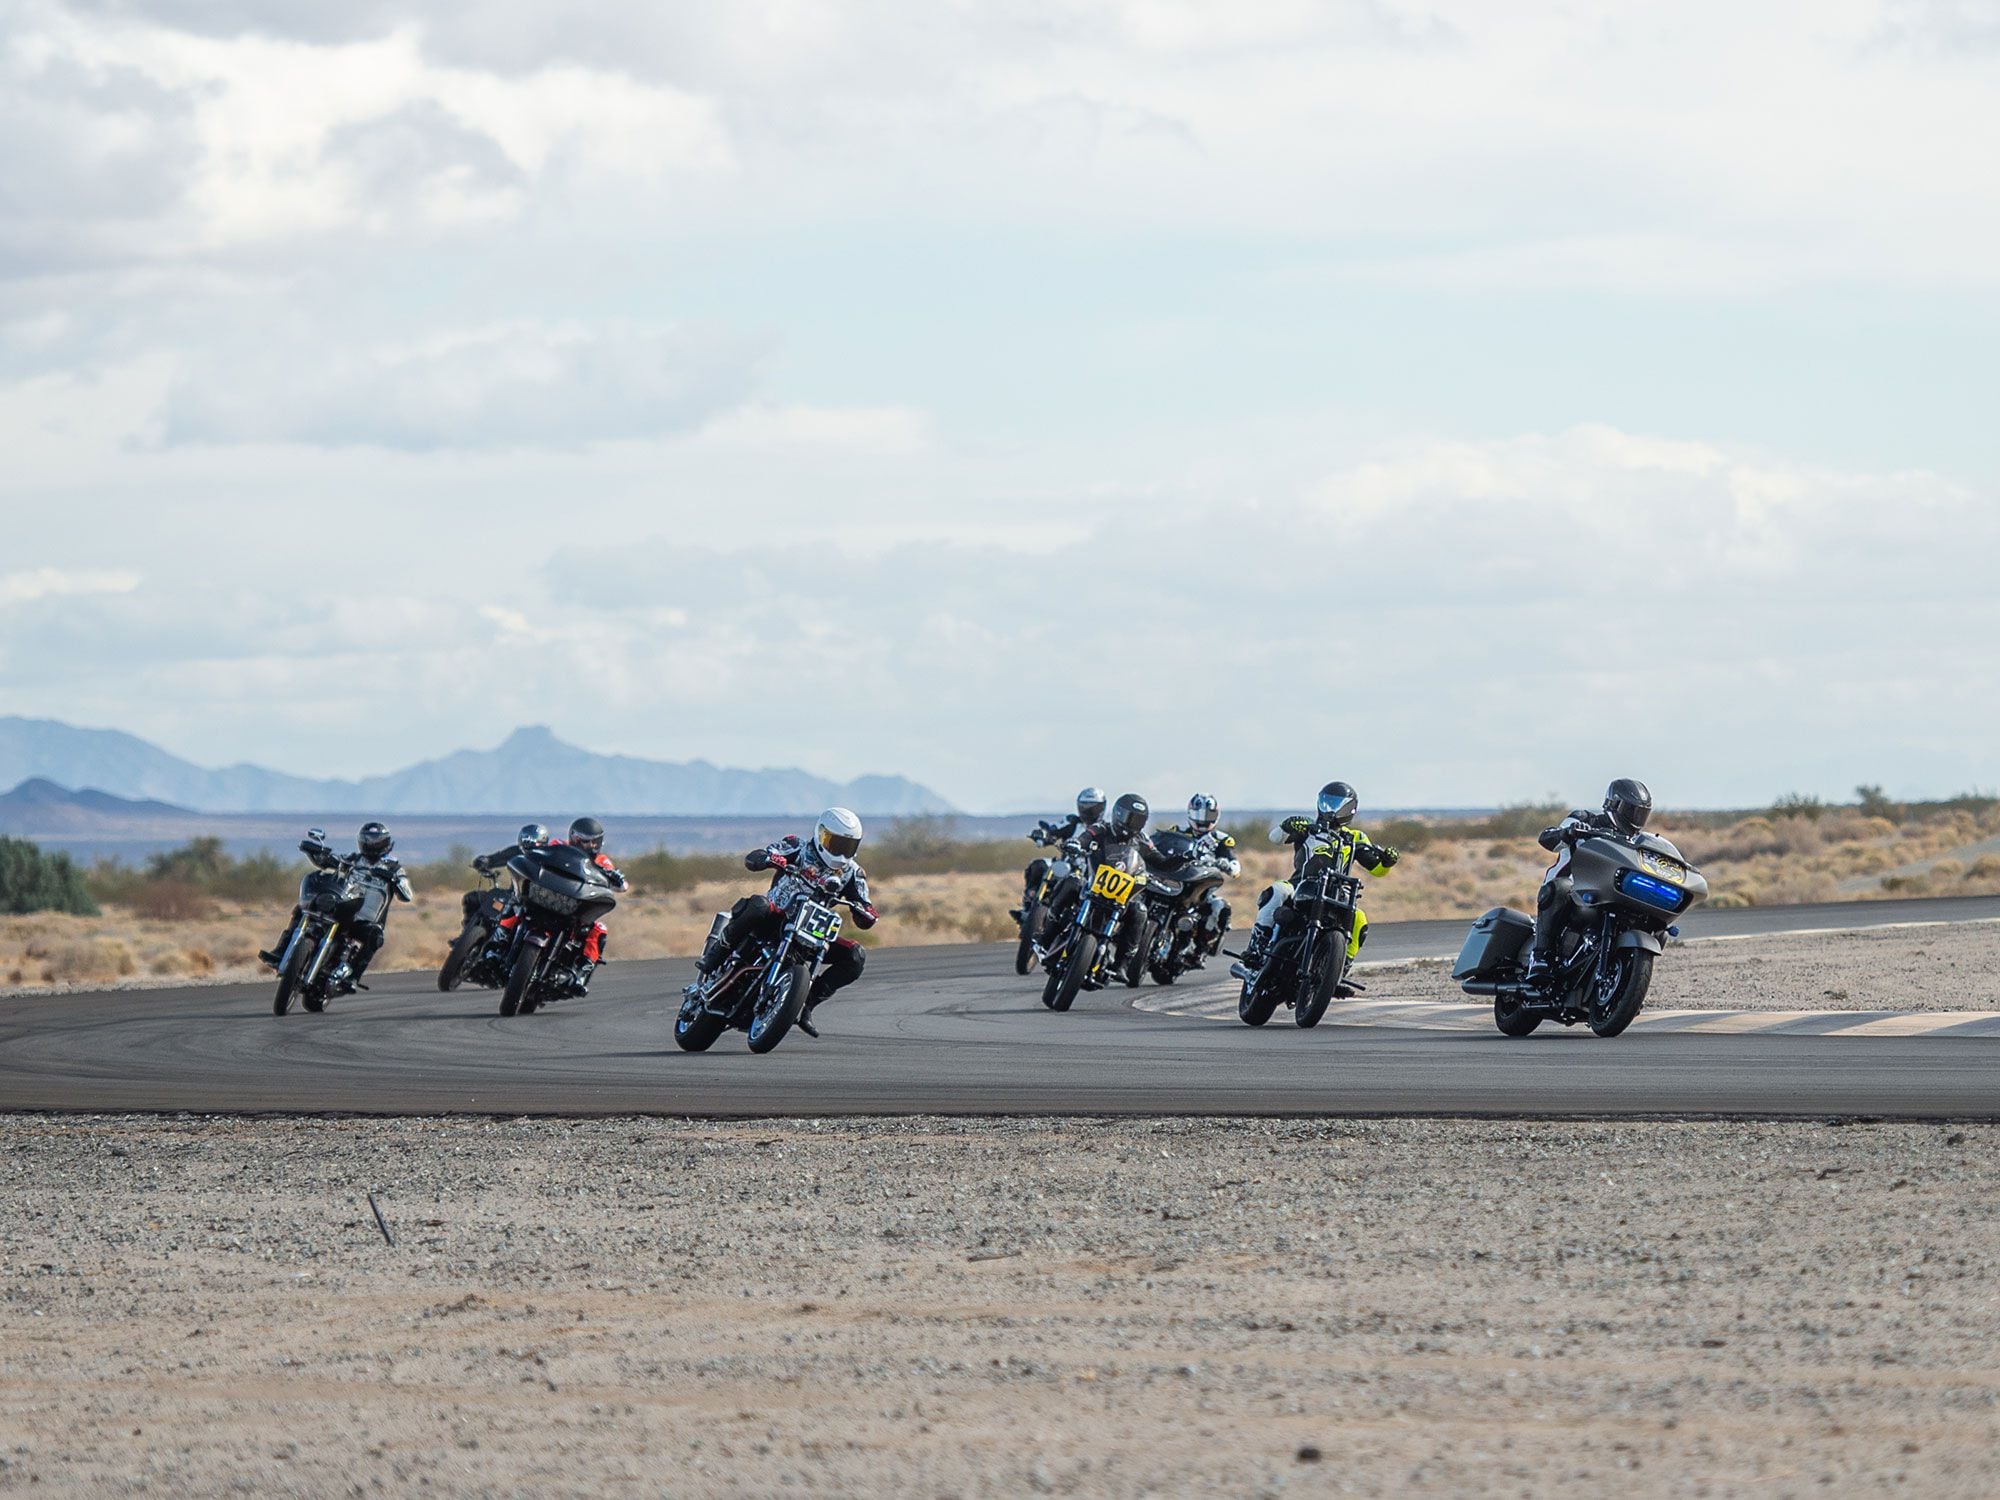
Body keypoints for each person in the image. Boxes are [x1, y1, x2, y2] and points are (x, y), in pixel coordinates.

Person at [691, 807, 879, 1037]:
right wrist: (768, 858)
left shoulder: (852, 873)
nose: (840, 851)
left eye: (847, 846)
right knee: (758, 905)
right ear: (821, 835)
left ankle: (805, 1004)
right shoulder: (797, 846)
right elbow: (756, 857)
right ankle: (716, 955)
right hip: (774, 917)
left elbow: (864, 907)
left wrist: (865, 913)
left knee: (855, 956)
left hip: (811, 933)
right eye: (835, 843)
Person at [1240, 782, 1400, 977]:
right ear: (1320, 802)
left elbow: (1376, 869)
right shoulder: (1307, 827)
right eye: (1328, 803)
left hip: (1337, 893)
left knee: (1360, 918)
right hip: (1301, 884)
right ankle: (1257, 946)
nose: (1332, 809)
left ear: (1350, 809)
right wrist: (1287, 825)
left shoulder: (1356, 837)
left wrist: (1387, 862)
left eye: (1339, 805)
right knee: (1278, 890)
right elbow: (1275, 838)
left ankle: (1341, 968)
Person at [1526, 778, 1653, 986]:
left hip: (1607, 893)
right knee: (1561, 888)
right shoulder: (1585, 820)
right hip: (1573, 889)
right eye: (1631, 811)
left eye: (1641, 813)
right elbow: (1546, 839)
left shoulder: (1636, 841)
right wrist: (1568, 833)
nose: (1635, 818)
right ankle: (1540, 956)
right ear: (1614, 804)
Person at [258, 822, 413, 989]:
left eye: (376, 840)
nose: (371, 844)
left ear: (385, 842)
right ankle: (281, 951)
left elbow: (407, 895)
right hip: (346, 908)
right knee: (303, 910)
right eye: (367, 840)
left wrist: (395, 880)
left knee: (375, 937)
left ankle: (352, 977)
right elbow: (333, 861)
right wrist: (318, 853)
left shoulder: (394, 868)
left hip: (368, 920)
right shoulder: (353, 859)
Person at [1073, 792, 1174, 970]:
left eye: (1137, 821)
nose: (1131, 824)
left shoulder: (1142, 840)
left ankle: (1122, 964)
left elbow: (1159, 860)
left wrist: (1179, 861)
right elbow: (1086, 837)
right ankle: (1048, 929)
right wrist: (1077, 844)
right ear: (1118, 814)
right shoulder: (1102, 828)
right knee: (1070, 882)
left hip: (1120, 893)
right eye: (1129, 818)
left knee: (1139, 911)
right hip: (1093, 883)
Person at [1156, 793, 1241, 959]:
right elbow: (1159, 847)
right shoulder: (1177, 832)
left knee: (1219, 906)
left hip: (1200, 884)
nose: (1202, 819)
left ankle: (1201, 948)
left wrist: (1227, 865)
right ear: (1190, 813)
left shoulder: (1221, 840)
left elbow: (1235, 866)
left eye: (1208, 815)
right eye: (1198, 814)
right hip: (1176, 879)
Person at [1015, 787, 1107, 920]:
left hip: (1090, 873)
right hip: (1066, 865)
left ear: (1101, 807)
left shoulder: (1105, 829)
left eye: (1092, 806)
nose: (1087, 810)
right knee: (1039, 865)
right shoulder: (1072, 821)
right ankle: (1029, 903)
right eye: (1084, 806)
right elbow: (1053, 830)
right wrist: (1044, 835)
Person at [471, 823, 548, 875]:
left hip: (546, 894)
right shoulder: (517, 852)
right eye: (538, 841)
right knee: (473, 897)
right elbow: (499, 857)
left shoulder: (551, 854)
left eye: (542, 841)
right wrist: (485, 861)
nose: (539, 845)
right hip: (518, 894)